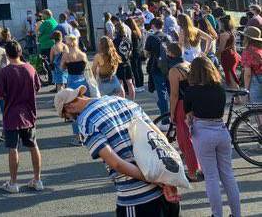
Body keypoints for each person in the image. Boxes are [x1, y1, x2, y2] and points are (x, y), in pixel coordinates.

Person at [53, 87, 181, 216]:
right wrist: (166, 177)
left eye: (67, 117)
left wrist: (154, 179)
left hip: (136, 195)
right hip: (165, 185)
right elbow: (160, 137)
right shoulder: (120, 100)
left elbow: (116, 163)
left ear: (69, 107)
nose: (71, 120)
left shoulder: (86, 121)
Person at [183, 57, 242, 217]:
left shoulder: (190, 90)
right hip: (221, 131)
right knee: (228, 176)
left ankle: (217, 215)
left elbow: (188, 114)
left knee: (211, 177)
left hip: (202, 132)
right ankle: (237, 214)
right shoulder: (219, 88)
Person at [0, 41, 43, 193]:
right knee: (33, 146)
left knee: (13, 148)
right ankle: (37, 179)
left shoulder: (4, 72)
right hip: (29, 113)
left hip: (11, 114)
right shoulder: (30, 68)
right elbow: (37, 87)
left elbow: (0, 94)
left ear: (7, 54)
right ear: (20, 51)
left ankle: (13, 182)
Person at [166, 43, 202, 181]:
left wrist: (172, 112)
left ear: (170, 54)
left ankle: (193, 171)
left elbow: (174, 94)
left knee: (184, 139)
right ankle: (200, 167)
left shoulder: (174, 71)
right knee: (196, 136)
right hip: (195, 103)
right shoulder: (188, 64)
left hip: (182, 104)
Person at [145, 18, 171, 124]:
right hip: (168, 68)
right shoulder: (167, 37)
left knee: (161, 93)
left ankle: (165, 120)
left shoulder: (151, 38)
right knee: (171, 92)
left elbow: (146, 54)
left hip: (156, 67)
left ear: (153, 26)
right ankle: (174, 117)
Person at [113, 22, 136, 100]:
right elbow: (130, 51)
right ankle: (132, 101)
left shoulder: (115, 41)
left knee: (120, 84)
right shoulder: (128, 40)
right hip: (127, 63)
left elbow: (113, 53)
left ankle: (123, 101)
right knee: (130, 83)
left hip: (119, 64)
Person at [217, 15, 240, 89]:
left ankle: (238, 98)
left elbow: (221, 49)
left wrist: (215, 55)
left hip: (227, 57)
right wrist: (237, 55)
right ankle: (237, 98)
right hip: (232, 55)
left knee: (231, 78)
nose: (219, 24)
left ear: (223, 24)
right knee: (233, 76)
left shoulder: (223, 34)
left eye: (219, 23)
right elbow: (234, 47)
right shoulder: (231, 32)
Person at [242, 25, 262, 105]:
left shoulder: (247, 51)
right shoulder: (260, 49)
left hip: (256, 80)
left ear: (247, 38)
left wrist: (246, 91)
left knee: (256, 109)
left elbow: (248, 74)